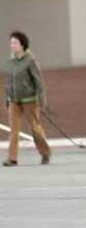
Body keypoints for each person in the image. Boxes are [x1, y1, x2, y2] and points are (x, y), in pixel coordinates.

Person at [3, 31, 51, 166]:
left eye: (15, 43)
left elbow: (39, 82)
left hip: (30, 100)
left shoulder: (30, 60)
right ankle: (12, 158)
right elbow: (10, 81)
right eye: (11, 43)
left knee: (35, 128)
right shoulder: (11, 61)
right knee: (14, 131)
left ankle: (45, 153)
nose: (12, 45)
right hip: (14, 100)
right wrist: (7, 97)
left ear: (22, 45)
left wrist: (42, 101)